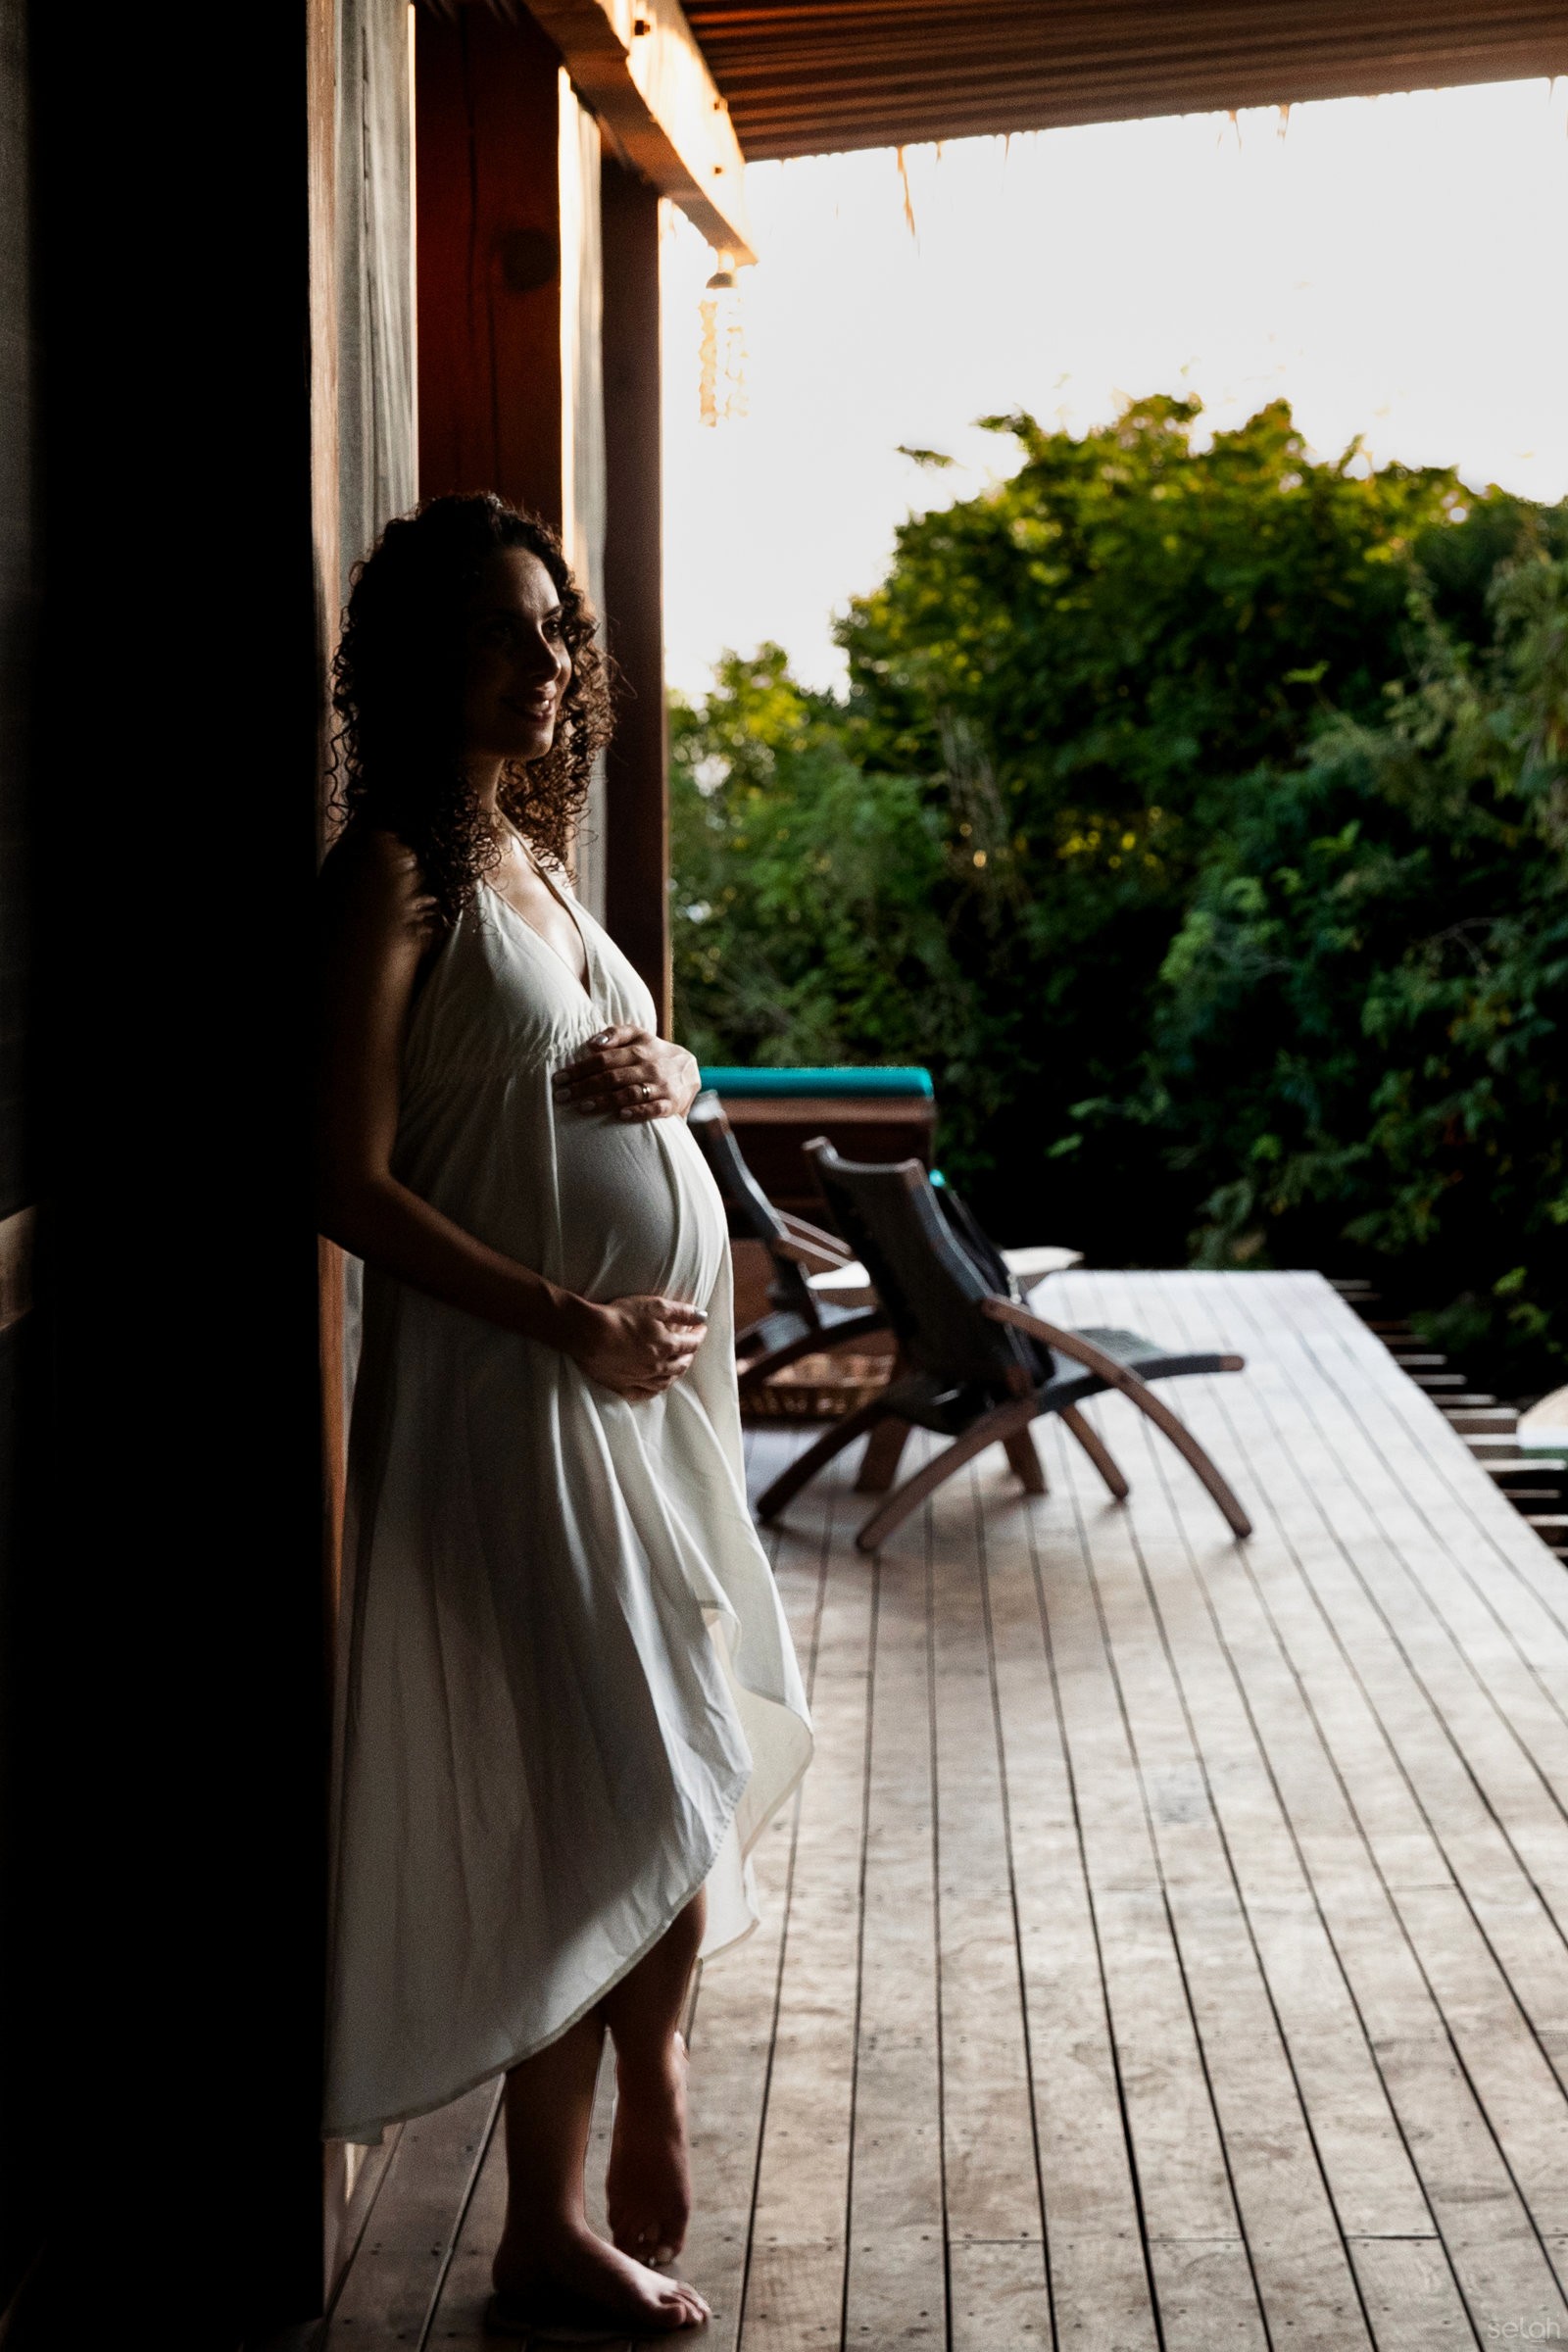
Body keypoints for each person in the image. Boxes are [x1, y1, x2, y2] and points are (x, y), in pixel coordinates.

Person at [317, 493, 811, 2338]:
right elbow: (340, 1175)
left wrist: (674, 1065)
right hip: (510, 1392)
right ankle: (610, 2139)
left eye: (555, 629)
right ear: (419, 657)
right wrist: (570, 1317)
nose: (545, 660)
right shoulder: (394, 875)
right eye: (504, 630)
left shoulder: (531, 853)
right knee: (641, 1774)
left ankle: (546, 2223)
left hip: (630, 1394)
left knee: (660, 1762)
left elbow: (616, 1064)